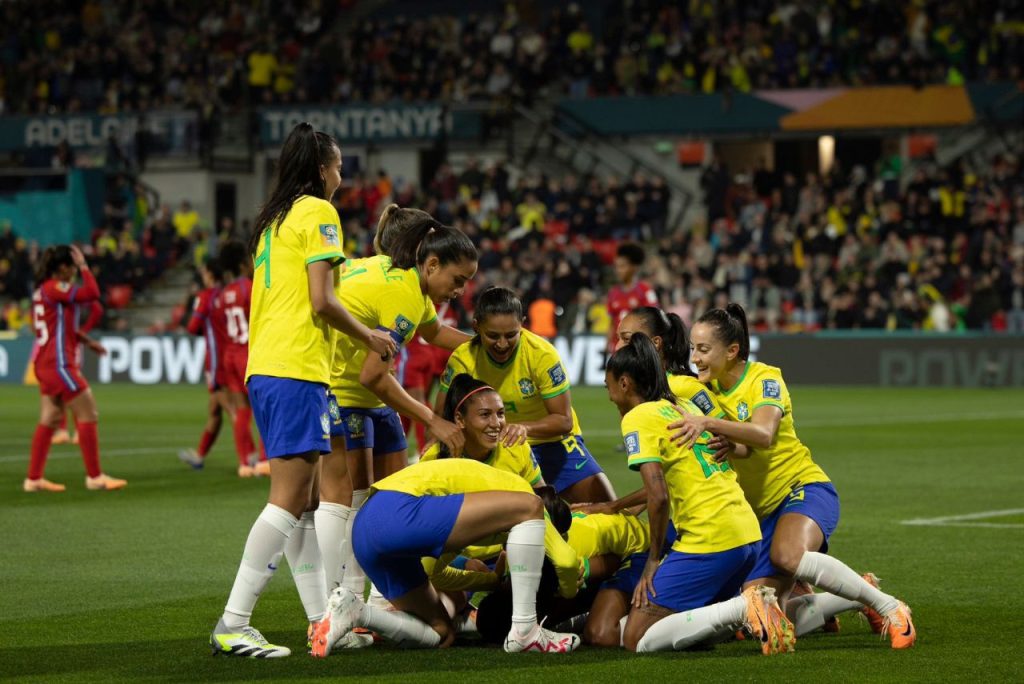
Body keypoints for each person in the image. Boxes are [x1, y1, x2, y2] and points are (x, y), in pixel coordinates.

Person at [210, 122, 396, 658]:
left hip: (268, 366)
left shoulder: (273, 221)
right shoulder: (318, 212)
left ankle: (320, 618)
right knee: (290, 500)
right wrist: (371, 336)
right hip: (295, 367)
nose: (342, 176)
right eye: (338, 166)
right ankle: (233, 620)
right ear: (322, 169)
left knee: (309, 500)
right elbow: (322, 299)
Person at [669, 303, 917, 649]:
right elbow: (744, 449)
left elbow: (764, 433)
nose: (695, 358)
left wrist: (708, 423)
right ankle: (851, 596)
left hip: (802, 489)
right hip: (760, 517)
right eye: (692, 348)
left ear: (733, 350)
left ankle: (889, 607)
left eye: (703, 349)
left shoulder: (764, 378)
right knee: (760, 613)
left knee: (788, 556)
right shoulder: (705, 390)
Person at [318, 217, 477, 605]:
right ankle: (338, 600)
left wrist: (486, 344)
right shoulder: (404, 292)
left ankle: (378, 600)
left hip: (368, 396)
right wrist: (432, 420)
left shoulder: (406, 281)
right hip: (340, 390)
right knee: (348, 499)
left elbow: (435, 333)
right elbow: (373, 374)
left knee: (387, 497)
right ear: (432, 263)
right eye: (458, 280)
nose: (460, 290)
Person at [603, 332, 791, 654]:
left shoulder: (638, 417)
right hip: (746, 533)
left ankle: (744, 609)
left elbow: (658, 495)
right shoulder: (683, 406)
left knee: (635, 638)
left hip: (711, 537)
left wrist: (653, 561)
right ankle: (742, 611)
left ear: (624, 383)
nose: (608, 395)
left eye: (608, 385)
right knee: (685, 625)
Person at [311, 458, 582, 656]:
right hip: (397, 509)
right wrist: (568, 591)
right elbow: (568, 561)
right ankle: (526, 631)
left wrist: (489, 581)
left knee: (441, 632)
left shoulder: (487, 516)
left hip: (368, 530)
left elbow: (435, 571)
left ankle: (357, 612)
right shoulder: (523, 495)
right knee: (529, 506)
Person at [436, 287, 615, 504]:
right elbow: (443, 416)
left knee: (608, 508)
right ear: (476, 326)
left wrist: (524, 428)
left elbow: (564, 420)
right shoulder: (463, 360)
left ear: (522, 323)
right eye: (493, 336)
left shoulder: (542, 355)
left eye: (511, 335)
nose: (502, 344)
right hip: (496, 447)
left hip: (552, 442)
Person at [24, 245, 126, 492]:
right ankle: (95, 477)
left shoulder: (42, 291)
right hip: (59, 365)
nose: (74, 273)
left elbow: (62, 328)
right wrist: (85, 266)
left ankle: (34, 479)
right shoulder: (54, 287)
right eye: (72, 268)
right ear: (63, 268)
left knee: (50, 418)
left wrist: (88, 342)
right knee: (88, 412)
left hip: (46, 363)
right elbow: (92, 293)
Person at [419, 373, 544, 487]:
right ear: (460, 419)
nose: (496, 424)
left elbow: (541, 496)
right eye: (485, 414)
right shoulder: (435, 459)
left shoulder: (515, 447)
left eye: (500, 413)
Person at [614, 306, 726, 420]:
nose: (617, 347)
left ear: (656, 343)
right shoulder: (636, 391)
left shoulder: (683, 386)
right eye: (618, 339)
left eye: (627, 339)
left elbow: (727, 433)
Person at [216, 240, 268, 477]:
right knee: (263, 407)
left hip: (229, 354)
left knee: (241, 409)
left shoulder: (222, 294)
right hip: (248, 352)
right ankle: (265, 460)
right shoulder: (249, 287)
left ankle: (244, 463)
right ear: (241, 263)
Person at [179, 257, 231, 470]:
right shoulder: (228, 294)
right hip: (234, 354)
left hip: (217, 361)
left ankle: (253, 458)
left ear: (209, 274)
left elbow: (192, 327)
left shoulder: (206, 296)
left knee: (234, 409)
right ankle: (200, 455)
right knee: (215, 410)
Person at [605, 242, 657, 356]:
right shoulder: (613, 293)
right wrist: (606, 346)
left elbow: (653, 320)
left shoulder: (645, 291)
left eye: (622, 266)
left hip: (638, 350)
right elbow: (611, 323)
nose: (618, 270)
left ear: (633, 268)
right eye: (616, 266)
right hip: (617, 349)